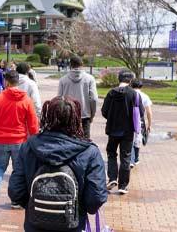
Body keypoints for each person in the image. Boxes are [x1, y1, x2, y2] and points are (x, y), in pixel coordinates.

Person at [8, 96, 107, 232]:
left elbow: (16, 191)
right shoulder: (90, 152)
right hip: (72, 224)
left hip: (35, 224)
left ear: (48, 116)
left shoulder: (28, 147)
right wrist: (77, 208)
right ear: (76, 119)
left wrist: (36, 204)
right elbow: (96, 197)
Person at [0, 70, 39, 214]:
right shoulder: (26, 99)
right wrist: (34, 140)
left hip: (1, 140)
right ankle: (16, 200)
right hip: (19, 141)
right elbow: (33, 123)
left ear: (6, 82)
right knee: (19, 170)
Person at [102, 70, 144, 194]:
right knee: (125, 157)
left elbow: (104, 111)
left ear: (118, 79)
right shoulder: (134, 94)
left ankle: (112, 178)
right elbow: (140, 113)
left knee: (111, 153)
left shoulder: (111, 93)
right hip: (128, 131)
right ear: (130, 81)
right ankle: (123, 185)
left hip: (113, 130)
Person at [58, 55, 98, 139]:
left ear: (70, 65)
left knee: (68, 142)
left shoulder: (63, 80)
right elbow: (93, 99)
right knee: (85, 144)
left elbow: (59, 99)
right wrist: (92, 114)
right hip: (84, 115)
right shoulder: (90, 79)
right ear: (82, 64)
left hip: (67, 115)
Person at [130, 79, 153, 168]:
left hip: (129, 119)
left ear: (131, 85)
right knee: (138, 139)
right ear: (141, 86)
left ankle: (131, 159)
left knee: (130, 139)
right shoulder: (145, 96)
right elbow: (149, 112)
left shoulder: (129, 94)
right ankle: (136, 158)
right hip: (140, 120)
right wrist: (149, 125)